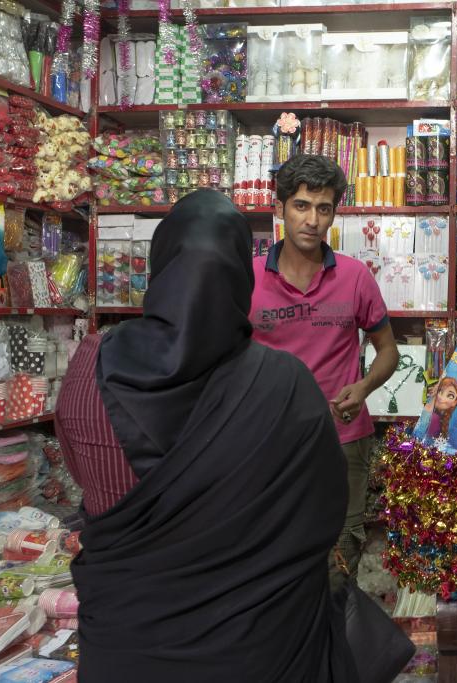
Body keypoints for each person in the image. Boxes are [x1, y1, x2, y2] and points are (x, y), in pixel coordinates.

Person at [55, 190, 355, 682]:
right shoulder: (284, 385)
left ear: (160, 264)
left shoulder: (91, 364)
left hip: (127, 643)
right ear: (242, 276)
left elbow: (82, 477)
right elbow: (326, 510)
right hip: (259, 648)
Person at [251, 154, 399, 587]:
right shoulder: (249, 277)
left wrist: (365, 386)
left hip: (344, 440)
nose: (312, 220)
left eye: (324, 208)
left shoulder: (355, 277)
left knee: (340, 557)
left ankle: (335, 645)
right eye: (301, 205)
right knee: (275, 551)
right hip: (270, 441)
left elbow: (388, 351)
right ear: (279, 209)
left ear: (334, 213)